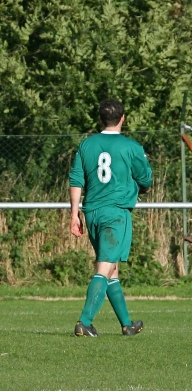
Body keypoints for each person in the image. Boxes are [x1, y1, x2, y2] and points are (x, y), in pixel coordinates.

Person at [69, 98, 152, 337]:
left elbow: (76, 180)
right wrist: (141, 185)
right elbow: (146, 181)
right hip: (115, 213)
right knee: (104, 267)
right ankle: (84, 321)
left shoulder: (87, 145)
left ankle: (127, 324)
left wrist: (74, 214)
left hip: (92, 212)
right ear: (123, 118)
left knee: (111, 269)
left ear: (99, 119)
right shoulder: (130, 147)